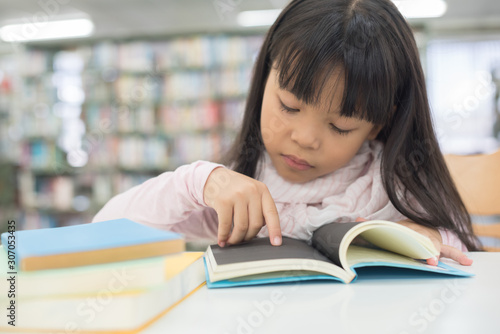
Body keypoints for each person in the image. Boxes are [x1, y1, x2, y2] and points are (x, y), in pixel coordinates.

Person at [93, 0, 481, 265]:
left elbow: (463, 253)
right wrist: (196, 183)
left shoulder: (394, 179)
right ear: (263, 80)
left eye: (341, 126)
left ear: (379, 124)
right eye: (289, 107)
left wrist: (432, 238)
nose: (305, 138)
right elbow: (106, 231)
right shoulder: (242, 185)